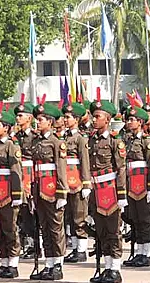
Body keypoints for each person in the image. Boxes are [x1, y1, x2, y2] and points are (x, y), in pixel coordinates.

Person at [88, 98, 127, 283]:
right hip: (96, 190)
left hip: (110, 190)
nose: (94, 120)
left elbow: (121, 169)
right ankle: (107, 266)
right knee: (101, 231)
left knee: (113, 230)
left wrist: (121, 194)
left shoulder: (114, 142)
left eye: (98, 116)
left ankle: (116, 269)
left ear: (107, 119)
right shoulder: (91, 140)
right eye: (93, 116)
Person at [29, 102, 69, 281]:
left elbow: (61, 169)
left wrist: (62, 193)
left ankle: (58, 263)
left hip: (52, 189)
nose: (38, 122)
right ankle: (49, 262)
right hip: (39, 188)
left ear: (50, 122)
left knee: (55, 228)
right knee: (44, 227)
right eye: (37, 119)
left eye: (41, 119)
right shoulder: (36, 141)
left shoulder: (56, 142)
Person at [0, 107, 23, 278]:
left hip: (7, 192)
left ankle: (13, 264)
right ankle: (4, 262)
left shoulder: (11, 146)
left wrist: (16, 195)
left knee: (10, 228)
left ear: (7, 128)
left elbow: (16, 171)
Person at [121, 105, 150, 268]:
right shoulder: (128, 139)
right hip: (131, 183)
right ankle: (139, 252)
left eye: (132, 120)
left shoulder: (146, 141)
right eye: (128, 119)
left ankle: (147, 253)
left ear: (140, 122)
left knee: (145, 219)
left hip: (142, 183)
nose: (129, 122)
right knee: (134, 219)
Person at [62, 102, 92, 263]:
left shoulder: (80, 138)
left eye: (68, 117)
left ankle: (81, 250)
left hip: (78, 182)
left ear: (77, 119)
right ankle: (74, 247)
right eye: (65, 117)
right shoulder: (64, 137)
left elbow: (85, 161)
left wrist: (86, 183)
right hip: (66, 182)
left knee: (80, 216)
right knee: (69, 217)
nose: (65, 120)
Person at [13, 100, 39, 259]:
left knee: (31, 210)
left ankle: (35, 245)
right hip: (18, 174)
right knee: (21, 211)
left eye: (21, 115)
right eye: (17, 115)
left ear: (29, 118)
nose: (18, 118)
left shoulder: (35, 137)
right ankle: (26, 243)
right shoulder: (15, 137)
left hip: (31, 174)